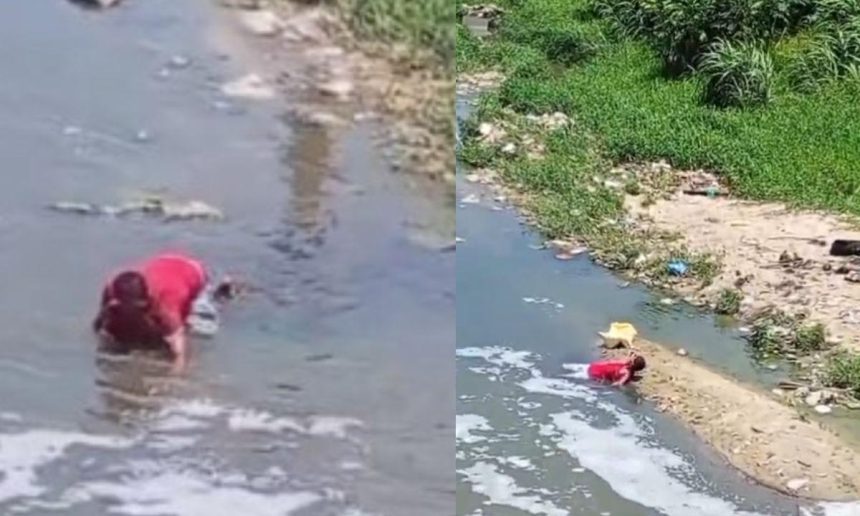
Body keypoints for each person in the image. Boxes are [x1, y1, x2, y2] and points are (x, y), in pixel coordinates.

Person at [92, 252, 234, 371]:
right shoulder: (111, 289)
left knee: (202, 326)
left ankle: (222, 291)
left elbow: (179, 351)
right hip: (161, 264)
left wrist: (174, 377)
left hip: (190, 270)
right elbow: (99, 323)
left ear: (145, 302)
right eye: (120, 306)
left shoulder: (167, 303)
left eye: (134, 308)